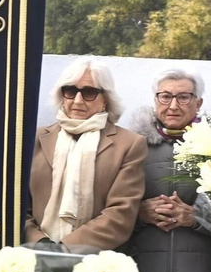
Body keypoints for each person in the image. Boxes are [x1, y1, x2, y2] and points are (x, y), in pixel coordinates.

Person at [124, 69, 211, 272]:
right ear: (155, 100)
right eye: (165, 96)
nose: (173, 105)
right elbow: (108, 206)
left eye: (183, 97)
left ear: (198, 103)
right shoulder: (130, 146)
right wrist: (139, 213)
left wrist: (196, 217)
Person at [24, 56, 144, 250]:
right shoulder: (34, 139)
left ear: (105, 99)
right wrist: (40, 243)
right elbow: (17, 203)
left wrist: (65, 248)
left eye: (89, 92)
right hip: (34, 254)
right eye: (71, 91)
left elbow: (121, 213)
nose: (78, 100)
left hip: (96, 259)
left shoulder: (129, 144)